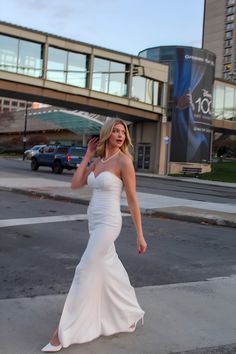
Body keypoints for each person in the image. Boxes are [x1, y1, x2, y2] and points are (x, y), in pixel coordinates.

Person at [41, 118, 148, 352]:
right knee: (108, 268)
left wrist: (140, 235)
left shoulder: (124, 161)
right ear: (107, 133)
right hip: (94, 221)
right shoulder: (99, 161)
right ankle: (128, 313)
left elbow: (132, 200)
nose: (120, 135)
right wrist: (89, 154)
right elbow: (76, 183)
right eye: (116, 131)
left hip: (110, 222)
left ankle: (61, 333)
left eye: (123, 132)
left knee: (84, 269)